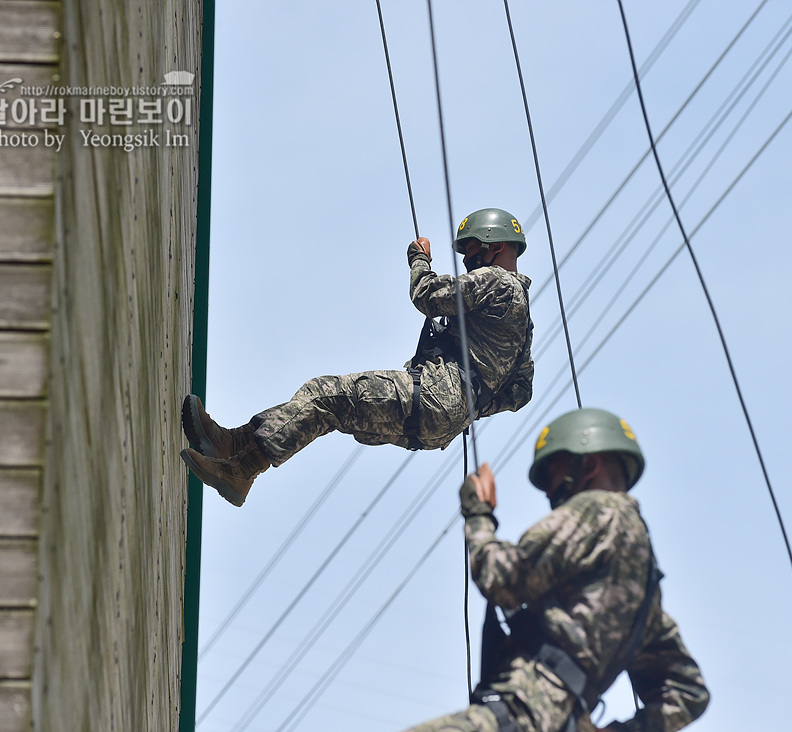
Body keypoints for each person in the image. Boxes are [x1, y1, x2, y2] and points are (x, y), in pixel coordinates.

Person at [181, 208, 535, 507]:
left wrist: (419, 258)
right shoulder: (523, 320)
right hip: (439, 425)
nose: (466, 258)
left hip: (433, 396)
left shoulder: (498, 281)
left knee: (324, 394)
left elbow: (427, 294)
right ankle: (235, 445)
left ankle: (242, 470)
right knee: (329, 409)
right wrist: (470, 399)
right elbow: (520, 391)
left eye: (471, 249)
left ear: (496, 246)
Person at [405, 408, 709, 732]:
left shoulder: (596, 511)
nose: (549, 492)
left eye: (552, 473)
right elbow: (688, 692)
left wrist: (479, 514)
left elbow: (501, 579)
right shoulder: (645, 590)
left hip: (521, 713)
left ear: (588, 465)